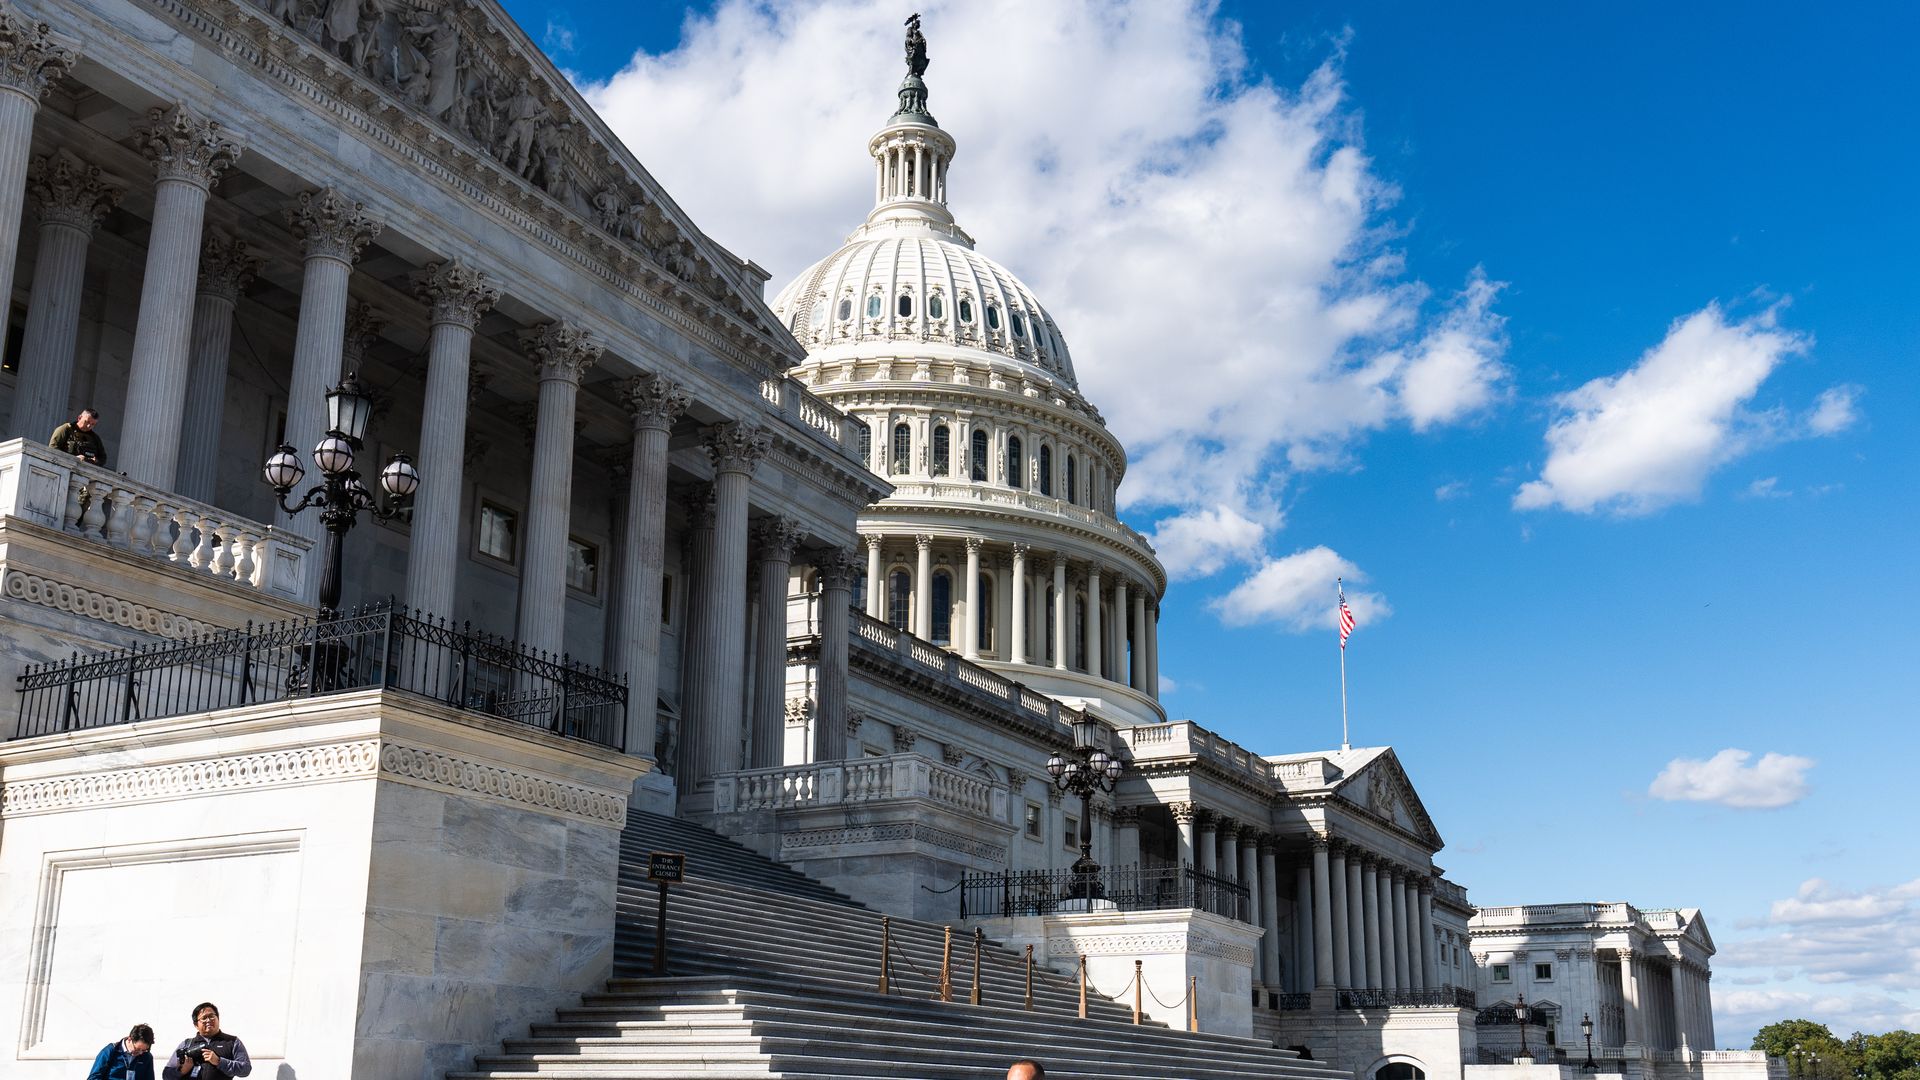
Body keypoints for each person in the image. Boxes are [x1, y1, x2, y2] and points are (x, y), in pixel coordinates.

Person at [160, 1003, 250, 1079]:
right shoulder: (186, 1044)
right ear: (196, 1024)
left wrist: (219, 1061)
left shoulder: (232, 1042)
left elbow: (245, 1069)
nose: (208, 1020)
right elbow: (166, 1075)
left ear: (218, 1018)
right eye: (204, 1017)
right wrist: (182, 1071)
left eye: (211, 1016)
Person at [87, 1023, 155, 1080]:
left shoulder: (147, 1056)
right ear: (129, 1039)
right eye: (137, 1049)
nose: (140, 1053)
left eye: (144, 1050)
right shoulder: (110, 1051)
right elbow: (93, 1078)